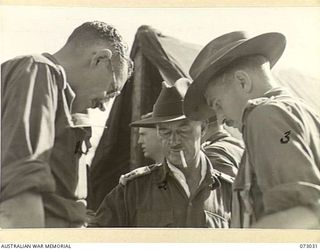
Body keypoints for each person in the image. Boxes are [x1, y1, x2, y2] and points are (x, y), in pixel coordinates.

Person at [0, 21, 132, 228]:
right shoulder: (39, 71)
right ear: (99, 59)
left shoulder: (65, 100)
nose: (104, 105)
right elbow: (21, 184)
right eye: (111, 91)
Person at [183, 31, 320, 228]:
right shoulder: (304, 112)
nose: (220, 119)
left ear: (242, 81)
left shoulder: (265, 115)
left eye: (218, 104)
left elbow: (300, 213)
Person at [91, 78, 231, 227]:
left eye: (183, 130)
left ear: (202, 128)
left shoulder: (228, 192)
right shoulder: (134, 190)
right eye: (165, 132)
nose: (174, 140)